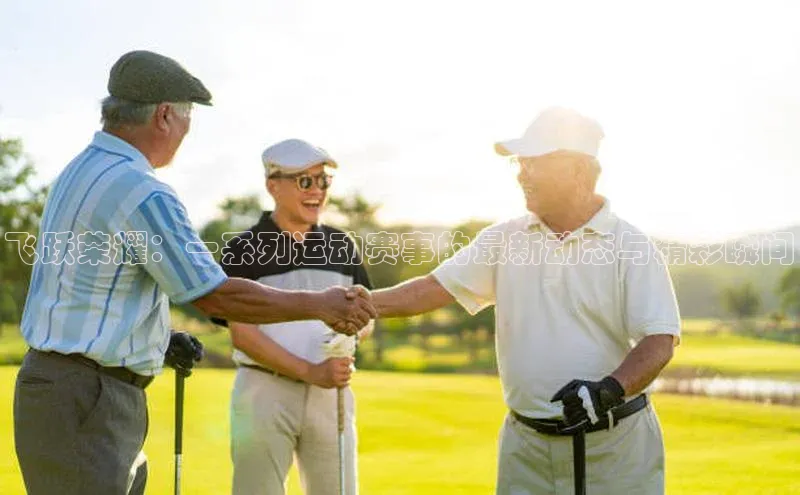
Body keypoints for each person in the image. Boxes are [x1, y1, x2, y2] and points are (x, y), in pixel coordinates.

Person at [13, 50, 374, 495]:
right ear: (165, 116)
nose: (186, 132)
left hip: (61, 389)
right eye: (187, 119)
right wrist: (320, 305)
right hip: (90, 400)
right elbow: (216, 296)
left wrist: (157, 340)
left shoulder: (80, 171)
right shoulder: (140, 190)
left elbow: (83, 291)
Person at [369, 107, 681, 494]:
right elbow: (429, 290)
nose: (522, 174)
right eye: (521, 162)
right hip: (526, 448)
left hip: (614, 450)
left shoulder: (631, 245)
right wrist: (355, 305)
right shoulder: (503, 239)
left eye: (535, 162)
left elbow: (660, 340)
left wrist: (608, 390)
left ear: (580, 172)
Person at [220, 139, 372, 495]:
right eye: (305, 181)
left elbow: (367, 316)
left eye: (323, 181)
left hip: (331, 392)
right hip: (264, 392)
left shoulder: (340, 244)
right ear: (273, 185)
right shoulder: (244, 248)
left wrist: (351, 335)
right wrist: (311, 372)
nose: (316, 191)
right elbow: (243, 335)